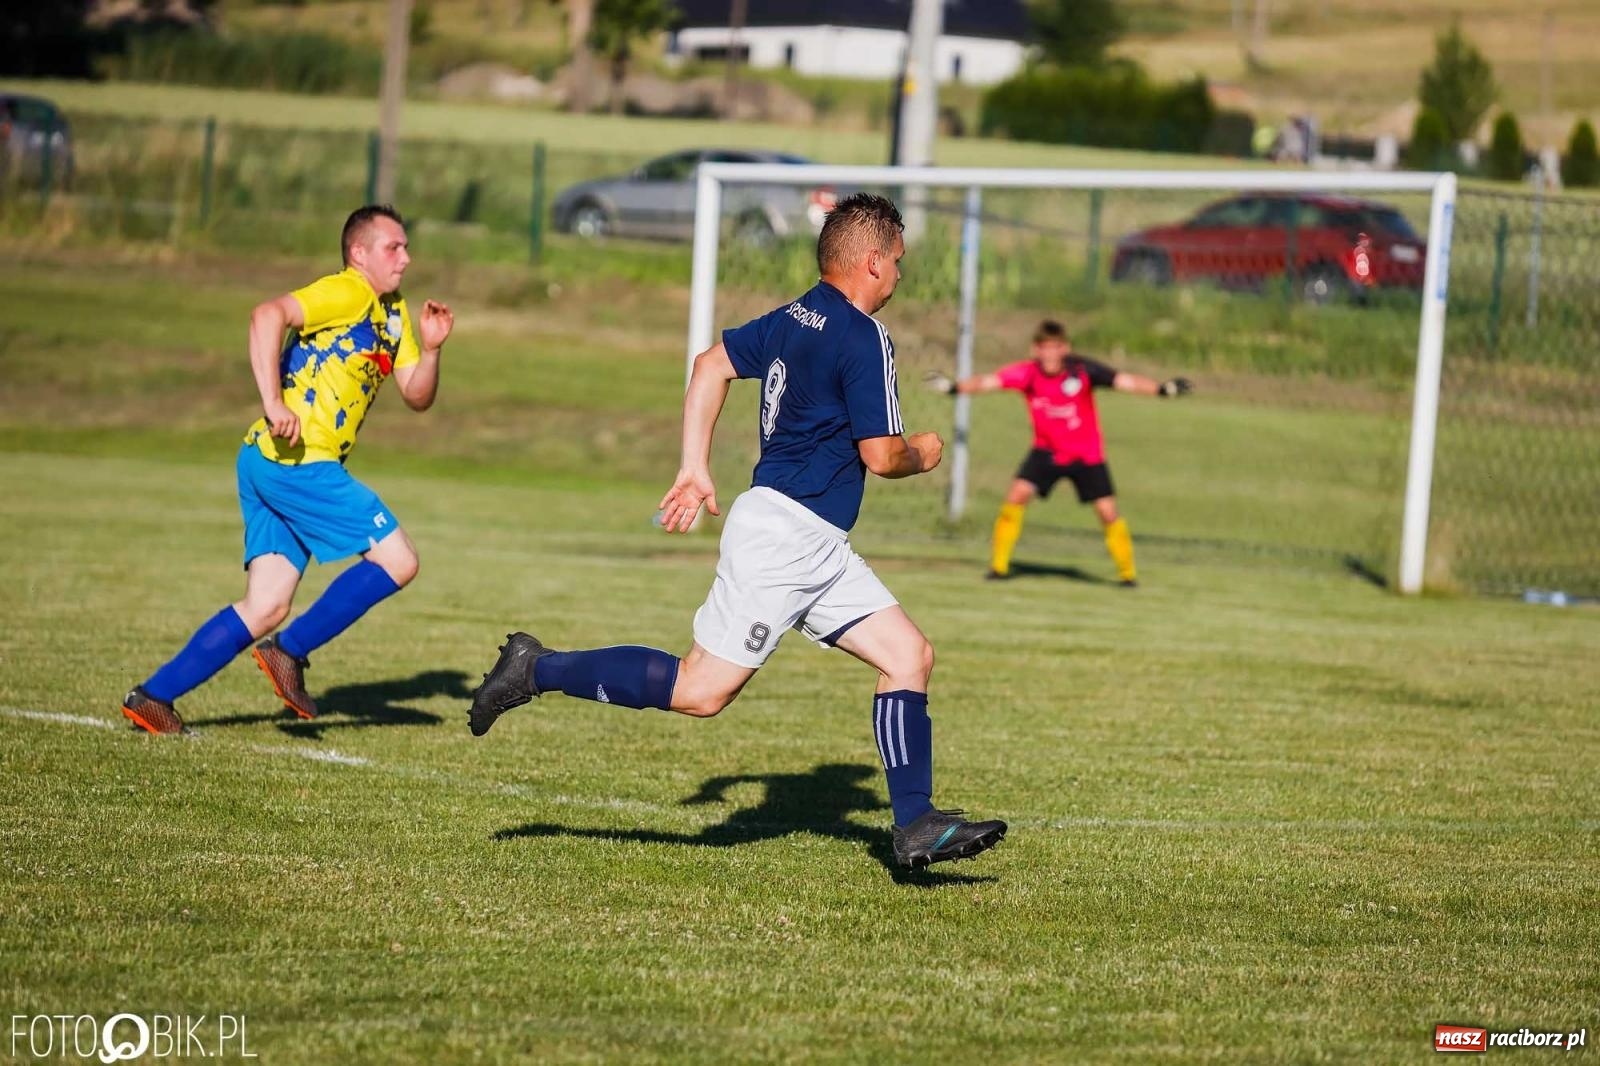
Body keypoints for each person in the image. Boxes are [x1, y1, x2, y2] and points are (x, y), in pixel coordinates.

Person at [469, 193, 1006, 871]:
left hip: (812, 542)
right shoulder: (862, 335)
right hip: (785, 538)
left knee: (909, 657)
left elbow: (709, 364)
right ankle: (534, 668)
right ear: (872, 261)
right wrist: (924, 452)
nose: (899, 275)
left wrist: (695, 466)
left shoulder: (794, 315)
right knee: (700, 692)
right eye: (897, 261)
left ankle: (916, 826)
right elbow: (881, 454)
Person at [120, 204, 455, 734]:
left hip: (266, 460)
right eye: (395, 247)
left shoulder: (392, 313)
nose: (407, 259)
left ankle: (152, 696)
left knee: (267, 603)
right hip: (296, 460)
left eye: (407, 247)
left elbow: (417, 395)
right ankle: (289, 652)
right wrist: (273, 402)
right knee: (399, 559)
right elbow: (265, 315)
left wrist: (431, 350)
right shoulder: (347, 291)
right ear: (358, 253)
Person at [928, 320, 1191, 586]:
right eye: (1045, 348)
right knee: (1017, 495)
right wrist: (953, 387)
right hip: (1047, 452)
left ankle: (1127, 575)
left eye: (1056, 348)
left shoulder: (1083, 370)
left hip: (1086, 456)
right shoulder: (1028, 373)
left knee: (1108, 511)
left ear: (1065, 348)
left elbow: (1124, 381)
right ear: (1036, 350)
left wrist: (1162, 389)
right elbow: (990, 381)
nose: (1050, 354)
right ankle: (998, 567)